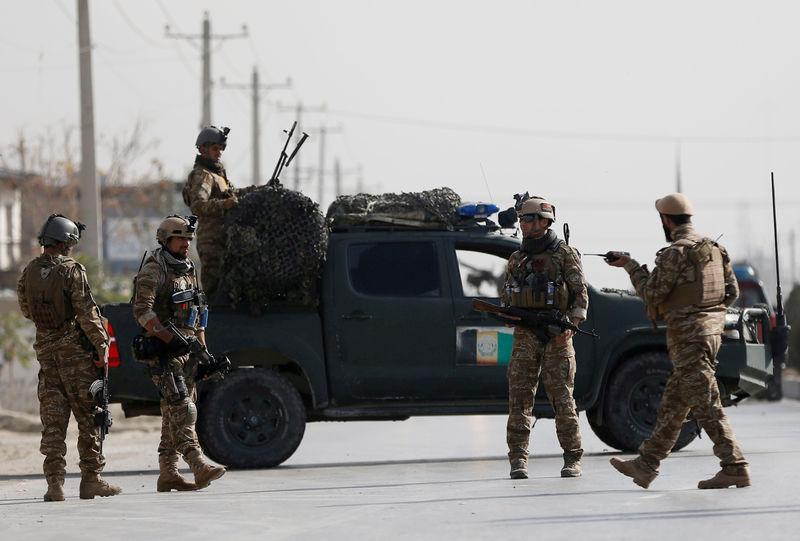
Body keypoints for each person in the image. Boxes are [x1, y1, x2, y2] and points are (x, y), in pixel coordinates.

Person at [605, 193, 750, 489]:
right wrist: (707, 313)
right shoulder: (715, 249)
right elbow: (732, 292)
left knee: (707, 404)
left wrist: (631, 267)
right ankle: (646, 466)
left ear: (666, 220)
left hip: (688, 339)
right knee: (673, 404)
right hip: (710, 335)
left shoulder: (675, 253)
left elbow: (652, 294)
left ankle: (734, 465)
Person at [17, 214, 122, 501]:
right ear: (65, 243)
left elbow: (26, 310)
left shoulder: (28, 271)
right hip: (76, 359)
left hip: (47, 358)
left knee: (53, 423)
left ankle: (55, 485)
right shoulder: (72, 270)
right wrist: (102, 347)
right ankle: (91, 480)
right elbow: (87, 312)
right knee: (90, 417)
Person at [132, 215, 225, 492]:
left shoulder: (188, 269)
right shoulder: (154, 269)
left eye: (189, 239)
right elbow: (142, 310)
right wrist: (168, 338)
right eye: (181, 238)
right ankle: (199, 465)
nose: (186, 243)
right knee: (184, 409)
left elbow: (198, 312)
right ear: (165, 239)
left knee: (172, 413)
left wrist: (203, 351)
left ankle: (168, 474)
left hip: (188, 350)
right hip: (163, 351)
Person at [501, 197, 588, 479]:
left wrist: (571, 325)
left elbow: (580, 294)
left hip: (557, 335)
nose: (523, 225)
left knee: (563, 399)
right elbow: (507, 294)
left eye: (527, 219)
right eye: (522, 220)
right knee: (519, 399)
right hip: (526, 335)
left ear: (543, 221)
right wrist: (510, 312)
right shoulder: (517, 258)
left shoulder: (564, 254)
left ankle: (573, 458)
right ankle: (518, 460)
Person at [182, 126, 257, 300]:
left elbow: (234, 194)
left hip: (226, 239)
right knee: (214, 292)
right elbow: (198, 205)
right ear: (203, 149)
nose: (219, 152)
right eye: (215, 148)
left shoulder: (219, 176)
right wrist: (225, 204)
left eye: (221, 148)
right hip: (212, 241)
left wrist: (259, 189)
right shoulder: (203, 175)